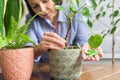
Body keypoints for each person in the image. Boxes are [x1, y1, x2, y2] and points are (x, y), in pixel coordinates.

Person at [24, 0, 103, 63]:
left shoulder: (74, 13)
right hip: (44, 70)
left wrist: (86, 47)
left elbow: (82, 42)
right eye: (35, 6)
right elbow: (27, 51)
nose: (42, 10)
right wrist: (39, 48)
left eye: (45, 1)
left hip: (71, 67)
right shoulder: (32, 19)